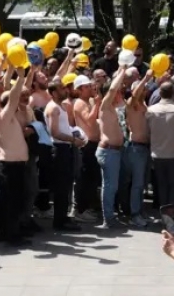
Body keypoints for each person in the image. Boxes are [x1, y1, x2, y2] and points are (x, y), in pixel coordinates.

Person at [0, 64, 30, 246]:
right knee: (8, 202)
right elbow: (13, 97)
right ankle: (8, 234)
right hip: (8, 166)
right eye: (13, 102)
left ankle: (9, 232)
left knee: (14, 201)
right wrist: (20, 77)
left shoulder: (12, 118)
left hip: (16, 165)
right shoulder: (4, 117)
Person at [147, 81, 174, 224]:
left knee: (162, 186)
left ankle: (164, 217)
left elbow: (147, 131)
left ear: (160, 93)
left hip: (157, 155)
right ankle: (173, 218)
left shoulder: (150, 110)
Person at [46, 77, 83, 232]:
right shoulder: (53, 108)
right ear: (54, 92)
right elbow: (54, 132)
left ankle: (62, 217)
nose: (65, 90)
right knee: (61, 187)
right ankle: (59, 221)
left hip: (65, 149)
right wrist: (73, 140)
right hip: (59, 149)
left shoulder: (59, 106)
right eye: (61, 88)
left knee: (66, 185)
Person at [95, 64, 126, 229]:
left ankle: (110, 217)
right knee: (109, 186)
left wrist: (121, 70)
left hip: (113, 152)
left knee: (111, 186)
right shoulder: (105, 106)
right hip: (108, 152)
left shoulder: (111, 108)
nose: (119, 94)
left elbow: (114, 89)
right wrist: (123, 70)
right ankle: (108, 219)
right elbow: (113, 89)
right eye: (118, 92)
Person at [123, 71, 152, 227]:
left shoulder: (144, 105)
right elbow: (134, 94)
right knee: (137, 183)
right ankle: (135, 214)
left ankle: (139, 211)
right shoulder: (132, 104)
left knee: (142, 183)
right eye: (143, 88)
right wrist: (145, 78)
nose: (145, 90)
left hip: (145, 148)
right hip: (136, 148)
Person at [72, 74, 101, 222]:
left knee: (91, 179)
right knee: (85, 179)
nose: (91, 88)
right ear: (80, 89)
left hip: (93, 145)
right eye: (88, 86)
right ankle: (80, 210)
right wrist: (96, 104)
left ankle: (87, 207)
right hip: (86, 145)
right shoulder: (79, 103)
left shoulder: (87, 101)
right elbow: (89, 120)